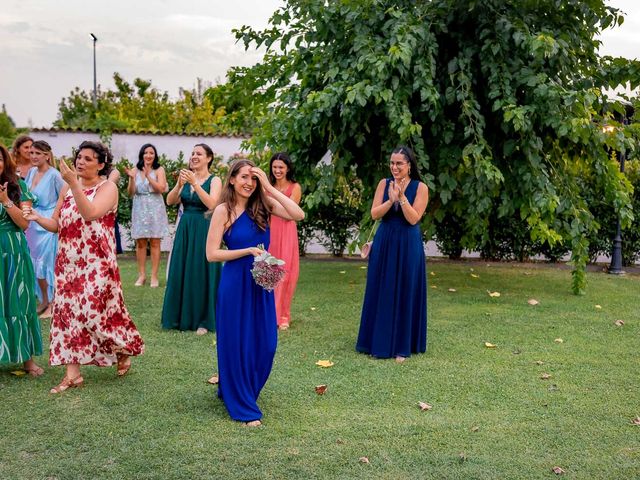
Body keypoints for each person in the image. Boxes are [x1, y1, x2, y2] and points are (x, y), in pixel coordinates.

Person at [24, 141, 144, 393]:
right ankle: (73, 374)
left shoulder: (107, 187)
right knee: (68, 316)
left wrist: (75, 184)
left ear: (101, 165)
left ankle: (121, 348)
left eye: (88, 159)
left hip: (97, 265)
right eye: (79, 157)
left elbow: (90, 213)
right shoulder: (68, 186)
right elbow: (57, 223)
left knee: (97, 315)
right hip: (68, 264)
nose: (80, 162)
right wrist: (38, 218)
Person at [206, 159, 305, 426]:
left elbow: (298, 215)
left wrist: (270, 189)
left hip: (261, 283)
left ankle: (237, 388)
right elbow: (212, 253)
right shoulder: (223, 211)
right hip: (235, 283)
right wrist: (247, 251)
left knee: (266, 343)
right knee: (237, 342)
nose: (249, 183)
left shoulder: (263, 206)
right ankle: (242, 403)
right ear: (232, 180)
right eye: (244, 178)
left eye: (254, 178)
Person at [356, 146, 429, 362]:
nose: (394, 167)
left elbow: (413, 218)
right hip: (385, 241)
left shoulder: (421, 187)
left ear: (409, 165)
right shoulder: (383, 184)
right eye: (392, 163)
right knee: (382, 288)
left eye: (399, 163)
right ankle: (376, 341)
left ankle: (402, 346)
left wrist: (402, 198)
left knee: (406, 289)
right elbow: (374, 213)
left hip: (408, 243)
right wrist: (391, 200)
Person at [161, 144, 221, 335]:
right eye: (193, 153)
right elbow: (170, 201)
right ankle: (179, 317)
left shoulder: (215, 180)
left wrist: (195, 183)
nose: (194, 156)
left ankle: (203, 319)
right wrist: (180, 184)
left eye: (199, 154)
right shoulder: (185, 179)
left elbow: (212, 204)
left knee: (201, 271)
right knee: (182, 269)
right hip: (185, 228)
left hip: (204, 228)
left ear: (209, 158)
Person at [0, 143, 44, 376]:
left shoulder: (19, 186)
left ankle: (27, 360)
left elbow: (25, 223)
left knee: (19, 301)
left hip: (13, 252)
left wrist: (5, 200)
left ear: (5, 161)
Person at [24, 140, 64, 319]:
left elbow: (64, 198)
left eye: (37, 153)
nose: (33, 156)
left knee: (48, 264)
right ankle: (45, 300)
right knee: (35, 265)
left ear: (47, 155)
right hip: (32, 224)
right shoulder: (31, 172)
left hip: (48, 224)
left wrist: (56, 219)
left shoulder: (55, 175)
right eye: (31, 153)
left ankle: (55, 304)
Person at [126, 143, 169, 287]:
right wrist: (132, 178)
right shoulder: (135, 170)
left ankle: (154, 277)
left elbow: (161, 188)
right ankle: (142, 275)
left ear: (155, 155)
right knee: (140, 242)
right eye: (146, 152)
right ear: (142, 155)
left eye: (151, 153)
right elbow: (131, 192)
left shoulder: (159, 169)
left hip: (155, 207)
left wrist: (148, 177)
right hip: (139, 207)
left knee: (155, 242)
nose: (148, 155)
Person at [268, 152, 302, 330]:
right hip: (269, 231)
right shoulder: (266, 186)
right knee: (270, 271)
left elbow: (290, 212)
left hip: (287, 231)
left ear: (288, 168)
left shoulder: (295, 187)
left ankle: (283, 316)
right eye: (274, 167)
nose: (277, 170)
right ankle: (269, 314)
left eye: (281, 167)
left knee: (287, 273)